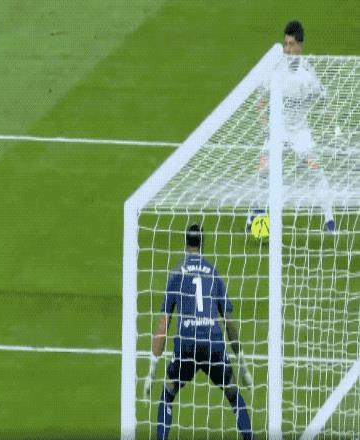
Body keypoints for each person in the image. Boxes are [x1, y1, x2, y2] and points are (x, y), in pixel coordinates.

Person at [144, 224, 253, 440]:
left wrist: (151, 371)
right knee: (233, 393)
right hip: (213, 343)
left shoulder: (176, 273)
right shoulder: (213, 272)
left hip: (187, 344)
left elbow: (163, 326)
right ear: (203, 243)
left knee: (168, 393)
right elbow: (229, 324)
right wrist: (243, 365)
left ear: (186, 243)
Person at [246, 20, 335, 233]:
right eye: (285, 44)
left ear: (300, 46)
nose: (287, 49)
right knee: (263, 171)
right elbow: (260, 101)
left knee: (316, 173)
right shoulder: (276, 69)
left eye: (291, 44)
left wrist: (327, 109)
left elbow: (324, 97)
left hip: (299, 132)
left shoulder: (307, 73)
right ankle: (255, 215)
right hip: (277, 131)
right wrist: (267, 127)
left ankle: (330, 220)